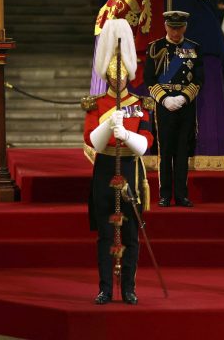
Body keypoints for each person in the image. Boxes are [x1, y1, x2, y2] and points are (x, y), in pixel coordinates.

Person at [84, 19, 152, 306]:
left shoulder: (140, 103)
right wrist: (107, 125)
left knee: (131, 234)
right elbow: (92, 141)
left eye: (123, 76)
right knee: (104, 234)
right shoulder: (96, 103)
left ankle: (128, 288)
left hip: (130, 168)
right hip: (104, 168)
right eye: (114, 77)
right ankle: (104, 288)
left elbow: (146, 144)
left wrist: (126, 133)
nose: (119, 80)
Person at [144, 11, 203, 208]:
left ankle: (181, 195)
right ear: (166, 26)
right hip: (164, 105)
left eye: (179, 28)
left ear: (185, 27)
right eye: (172, 27)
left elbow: (198, 79)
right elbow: (149, 79)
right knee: (166, 150)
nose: (176, 32)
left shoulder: (194, 48)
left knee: (182, 151)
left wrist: (184, 97)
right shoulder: (155, 47)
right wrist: (164, 99)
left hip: (185, 106)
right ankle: (164, 194)